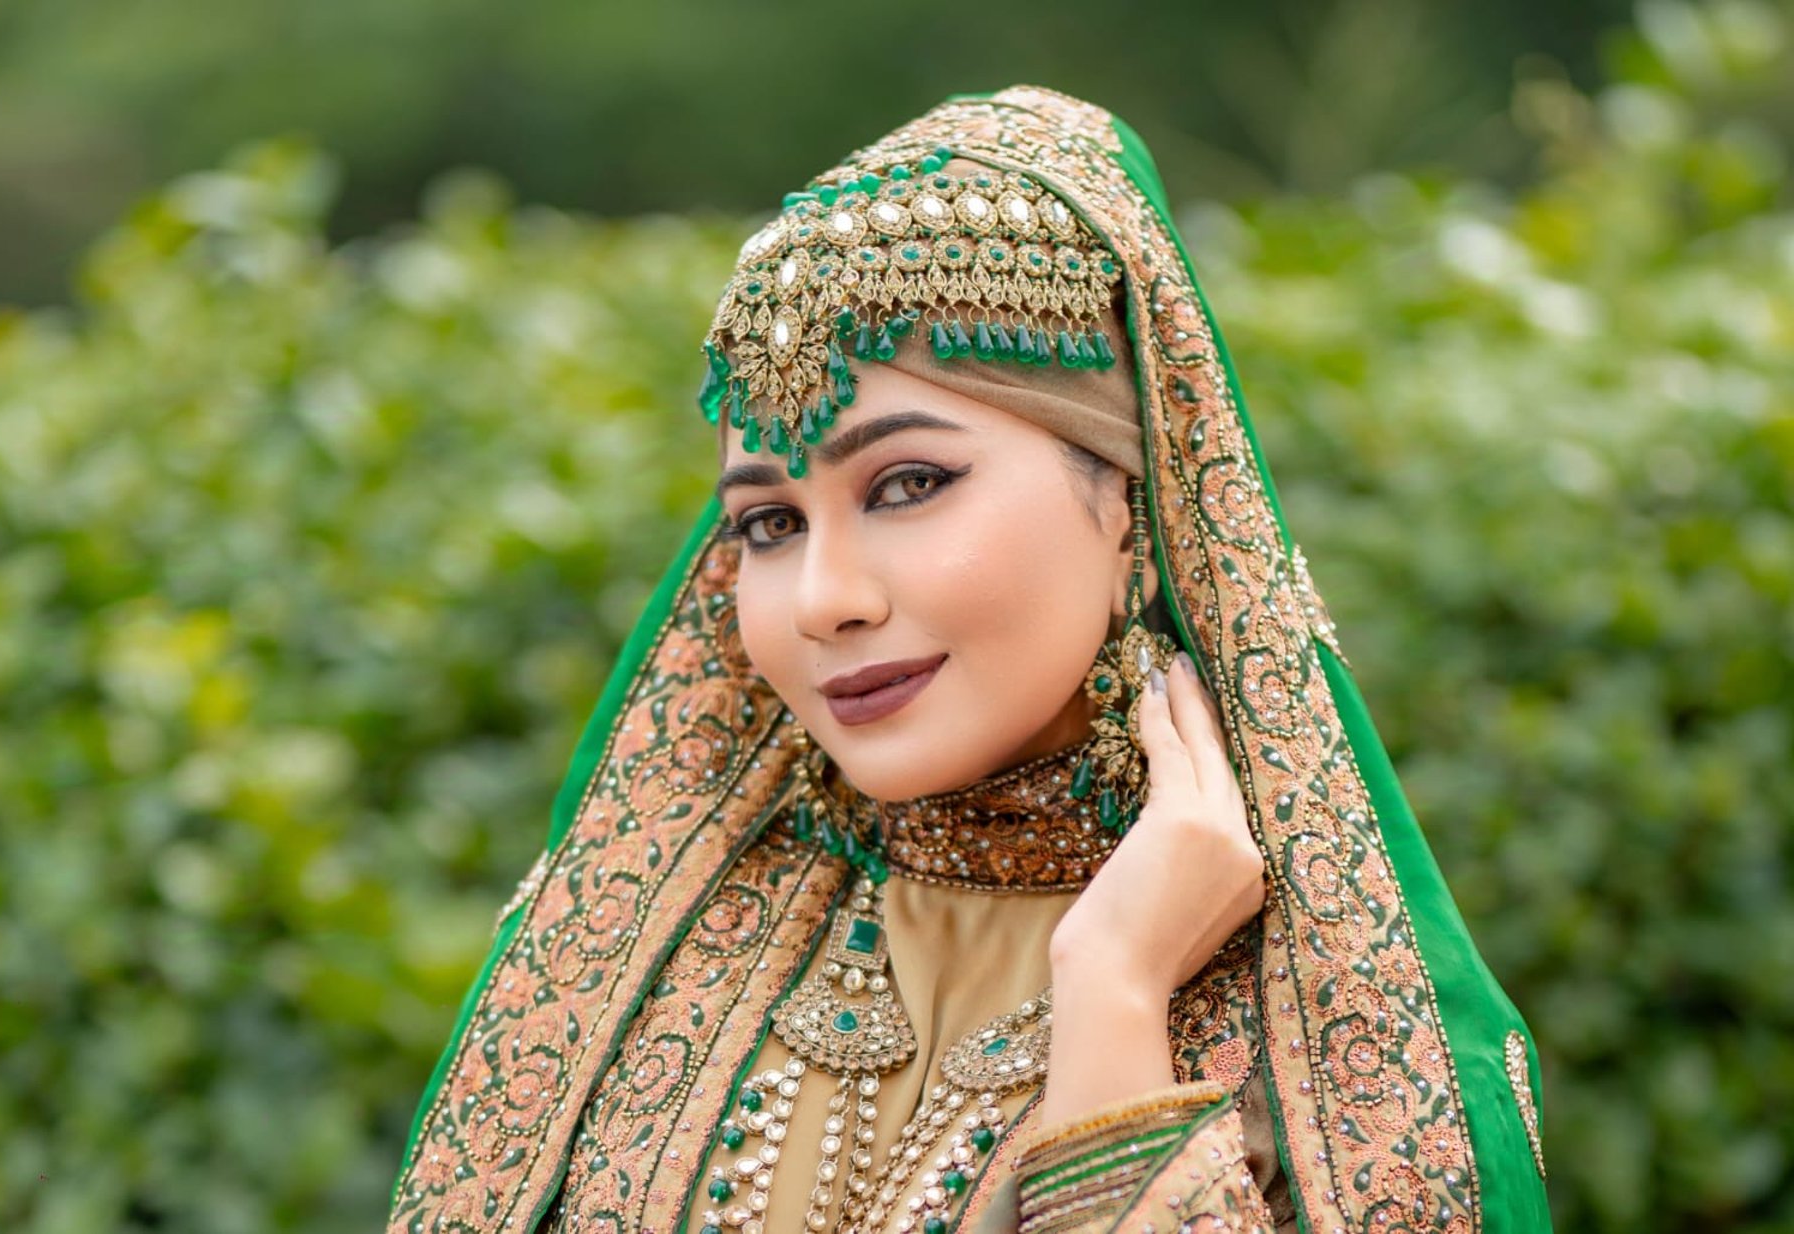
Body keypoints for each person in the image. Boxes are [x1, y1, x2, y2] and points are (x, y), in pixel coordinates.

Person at [386, 85, 1552, 1234]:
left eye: (908, 485)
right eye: (769, 524)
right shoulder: (668, 956)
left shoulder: (1336, 1045)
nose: (825, 602)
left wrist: (1115, 993)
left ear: (1132, 511)